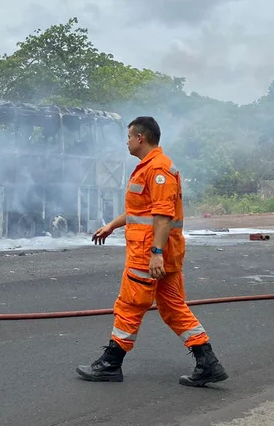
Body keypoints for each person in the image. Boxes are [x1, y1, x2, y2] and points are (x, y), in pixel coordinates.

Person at [76, 116, 228, 387]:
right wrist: (111, 226)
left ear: (140, 138)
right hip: (159, 252)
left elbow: (162, 215)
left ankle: (111, 362)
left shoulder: (158, 169)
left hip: (149, 253)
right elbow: (140, 211)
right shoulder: (150, 167)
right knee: (172, 307)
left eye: (128, 137)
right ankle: (208, 362)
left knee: (130, 305)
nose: (126, 142)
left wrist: (155, 252)